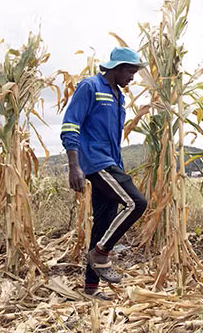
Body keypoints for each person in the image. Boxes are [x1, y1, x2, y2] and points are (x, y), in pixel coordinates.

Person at [60, 46, 148, 300]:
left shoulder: (118, 96)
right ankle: (101, 252)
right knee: (137, 203)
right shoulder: (91, 87)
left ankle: (91, 289)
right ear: (116, 68)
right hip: (95, 161)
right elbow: (71, 124)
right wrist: (74, 165)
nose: (132, 77)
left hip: (111, 162)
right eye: (130, 71)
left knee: (103, 223)